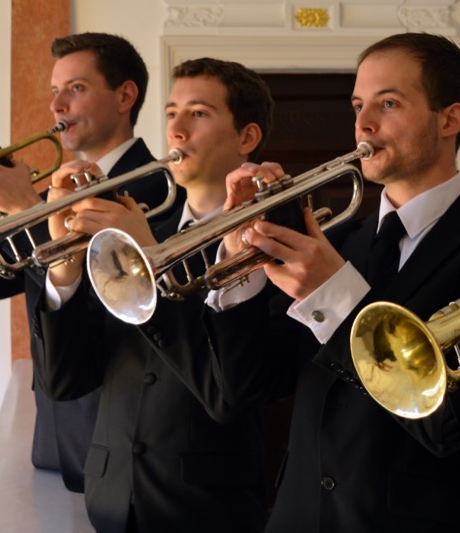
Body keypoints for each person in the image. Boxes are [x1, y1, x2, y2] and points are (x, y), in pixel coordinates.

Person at [204, 33, 460, 532]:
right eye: (358, 105)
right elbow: (245, 387)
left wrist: (339, 300)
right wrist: (237, 267)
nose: (363, 125)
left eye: (388, 103)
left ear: (449, 119)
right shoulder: (337, 240)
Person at [29, 57, 275, 532]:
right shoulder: (138, 231)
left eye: (198, 114)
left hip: (208, 510)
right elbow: (65, 382)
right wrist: (63, 270)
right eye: (170, 114)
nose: (176, 131)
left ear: (246, 138)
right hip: (109, 499)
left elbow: (231, 390)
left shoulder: (267, 239)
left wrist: (148, 259)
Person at [0, 32, 179, 492]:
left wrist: (28, 209)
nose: (56, 106)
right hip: (55, 433)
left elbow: (96, 298)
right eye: (54, 91)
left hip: (116, 437)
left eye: (76, 88)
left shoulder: (157, 189)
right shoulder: (56, 189)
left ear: (124, 96)